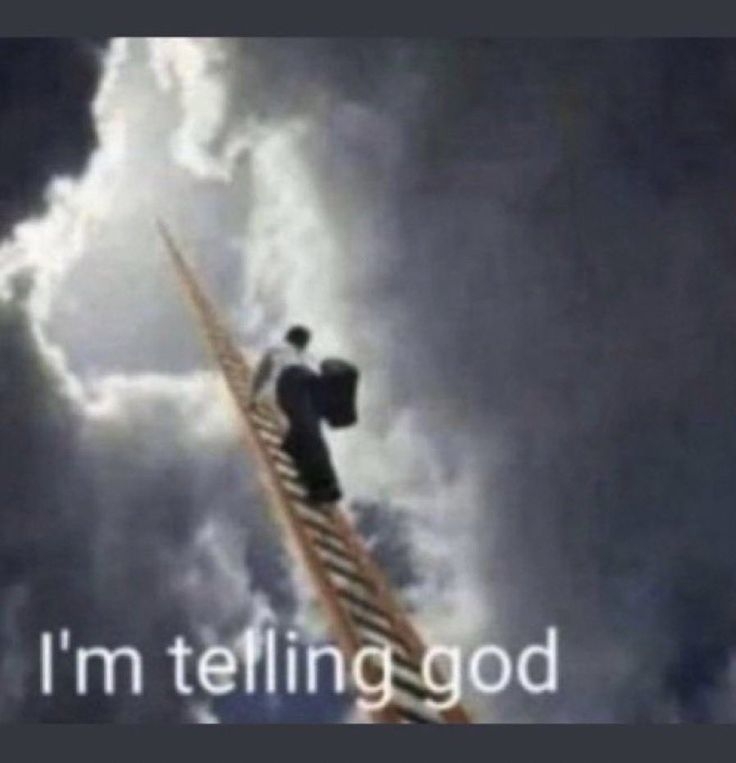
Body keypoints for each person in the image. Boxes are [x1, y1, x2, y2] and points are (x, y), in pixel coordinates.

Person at [248, 325, 342, 504]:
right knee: (304, 433)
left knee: (307, 432)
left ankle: (322, 484)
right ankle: (317, 482)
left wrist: (252, 398)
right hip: (305, 384)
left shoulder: (286, 352)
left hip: (299, 383)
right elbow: (262, 374)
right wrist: (253, 397)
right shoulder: (296, 354)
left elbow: (261, 375)